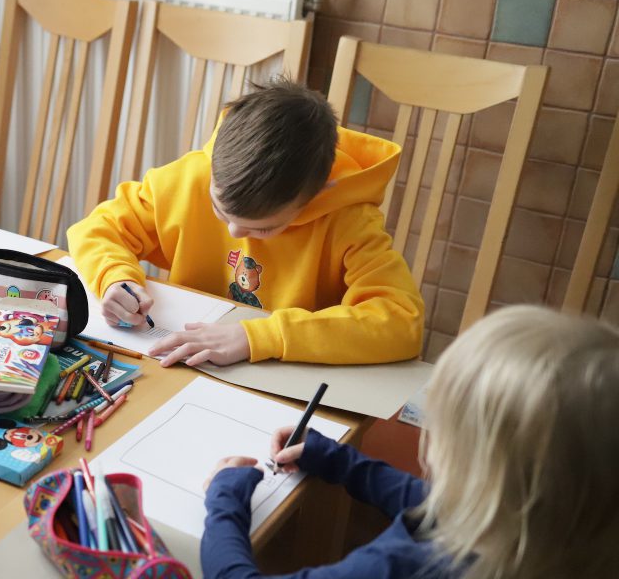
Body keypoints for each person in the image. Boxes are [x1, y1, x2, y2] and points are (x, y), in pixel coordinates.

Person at [202, 305, 619, 578]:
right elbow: (435, 504)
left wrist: (225, 498)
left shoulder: (400, 566)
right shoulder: (556, 535)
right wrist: (342, 462)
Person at [67, 78, 423, 366]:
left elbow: (401, 322)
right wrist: (115, 279)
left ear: (316, 197)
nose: (235, 233)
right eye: (219, 209)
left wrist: (259, 336)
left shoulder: (349, 219)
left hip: (280, 379)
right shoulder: (191, 177)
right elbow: (97, 230)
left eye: (264, 228)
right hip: (181, 363)